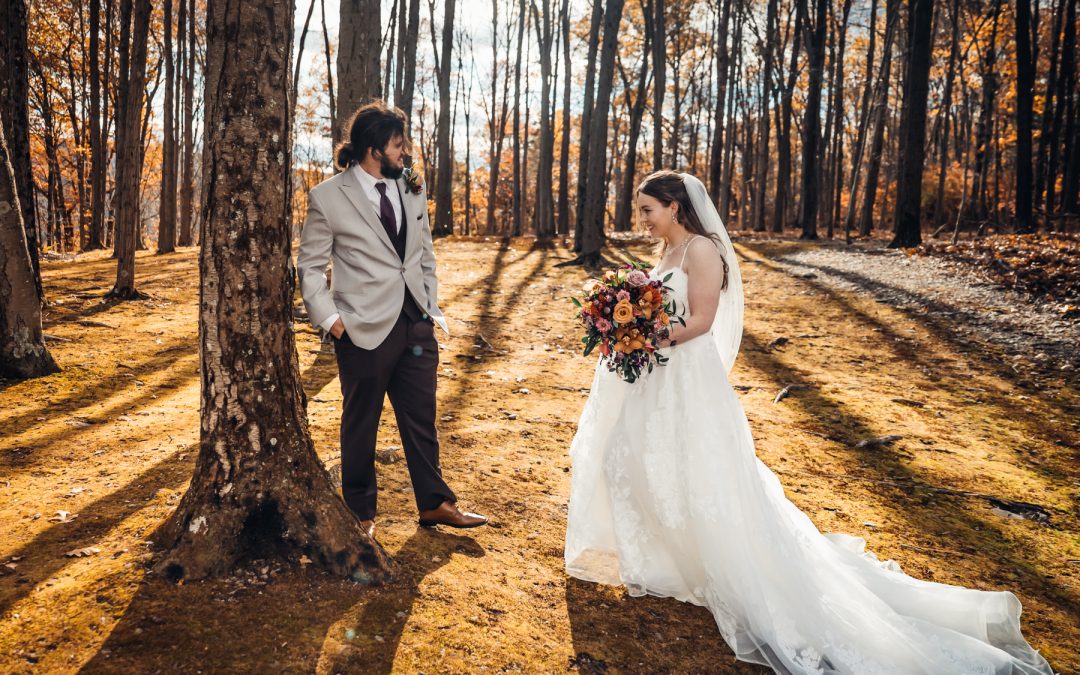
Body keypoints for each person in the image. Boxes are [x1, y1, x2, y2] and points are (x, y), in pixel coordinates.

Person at [563, 170, 1054, 674]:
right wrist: (625, 328)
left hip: (687, 380)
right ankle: (670, 559)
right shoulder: (667, 250)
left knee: (701, 473)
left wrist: (644, 337)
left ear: (674, 206)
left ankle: (724, 566)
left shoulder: (702, 250)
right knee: (640, 459)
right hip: (657, 376)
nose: (641, 219)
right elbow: (660, 309)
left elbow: (703, 320)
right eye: (641, 211)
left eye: (647, 210)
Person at [296, 100, 487, 539]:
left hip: (416, 322)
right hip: (360, 328)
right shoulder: (328, 196)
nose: (406, 152)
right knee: (361, 422)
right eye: (398, 144)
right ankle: (359, 513)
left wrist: (429, 303)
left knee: (421, 416)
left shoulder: (411, 186)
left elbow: (423, 252)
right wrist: (331, 320)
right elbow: (310, 266)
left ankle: (435, 503)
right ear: (374, 148)